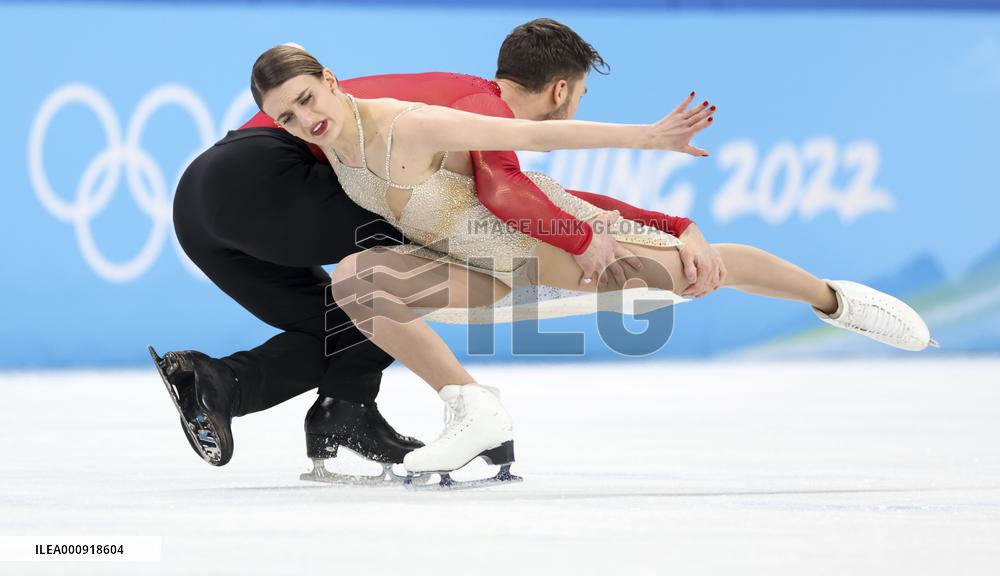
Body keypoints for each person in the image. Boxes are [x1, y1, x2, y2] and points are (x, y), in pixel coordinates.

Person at [251, 43, 936, 484]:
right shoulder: (331, 145)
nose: (303, 118)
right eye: (285, 117)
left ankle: (835, 299)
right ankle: (473, 410)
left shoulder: (409, 125)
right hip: (476, 264)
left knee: (692, 272)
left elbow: (523, 144)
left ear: (332, 81)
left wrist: (646, 139)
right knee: (357, 282)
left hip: (542, 241)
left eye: (307, 98)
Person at [155, 19, 712, 481]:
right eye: (582, 94)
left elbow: (533, 193)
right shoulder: (482, 104)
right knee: (413, 260)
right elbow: (513, 196)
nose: (306, 115)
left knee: (349, 316)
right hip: (265, 173)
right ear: (561, 90)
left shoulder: (443, 100)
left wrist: (664, 221)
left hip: (197, 207)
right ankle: (398, 409)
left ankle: (229, 386)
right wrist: (643, 218)